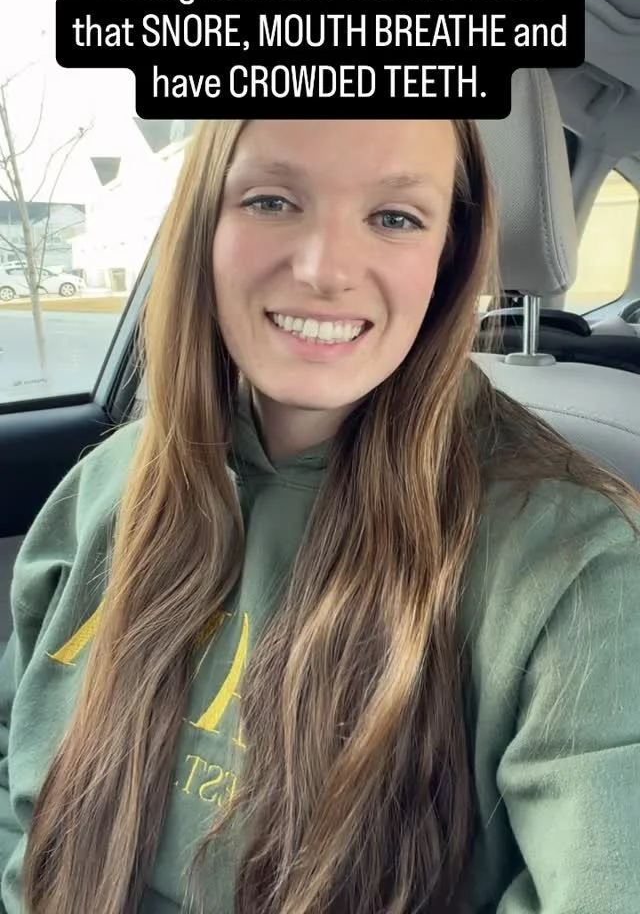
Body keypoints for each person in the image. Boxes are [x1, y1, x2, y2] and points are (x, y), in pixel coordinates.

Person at [0, 117, 638, 914]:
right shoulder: (105, 486)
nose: (323, 269)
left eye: (394, 217)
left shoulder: (578, 571)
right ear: (203, 224)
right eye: (272, 201)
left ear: (449, 253)